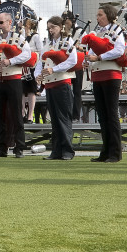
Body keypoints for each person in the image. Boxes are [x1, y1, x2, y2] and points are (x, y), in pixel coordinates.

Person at [0, 13, 31, 158]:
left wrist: (11, 61)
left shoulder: (18, 38)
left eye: (1, 22)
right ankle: (1, 148)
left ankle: (19, 148)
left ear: (9, 22)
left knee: (16, 114)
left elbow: (27, 54)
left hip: (13, 79)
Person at [86, 5, 126, 163]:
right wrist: (88, 61)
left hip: (110, 74)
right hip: (97, 75)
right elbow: (90, 53)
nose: (97, 17)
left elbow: (119, 50)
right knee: (102, 116)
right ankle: (105, 151)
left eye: (100, 15)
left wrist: (99, 58)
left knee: (111, 114)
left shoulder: (116, 30)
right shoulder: (98, 32)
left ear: (109, 15)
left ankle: (115, 152)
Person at [37, 15, 77, 161]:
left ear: (60, 27)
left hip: (62, 83)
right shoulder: (47, 45)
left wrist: (54, 70)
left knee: (63, 118)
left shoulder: (68, 42)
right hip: (49, 84)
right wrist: (38, 76)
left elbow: (72, 61)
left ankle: (67, 151)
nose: (51, 30)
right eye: (49, 28)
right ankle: (56, 150)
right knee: (54, 118)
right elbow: (39, 64)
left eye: (53, 27)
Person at [21, 19, 42, 124]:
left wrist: (31, 53)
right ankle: (22, 114)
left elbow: (41, 51)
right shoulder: (22, 37)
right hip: (22, 67)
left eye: (26, 26)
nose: (25, 28)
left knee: (31, 91)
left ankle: (30, 116)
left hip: (32, 66)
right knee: (21, 91)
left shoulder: (35, 36)